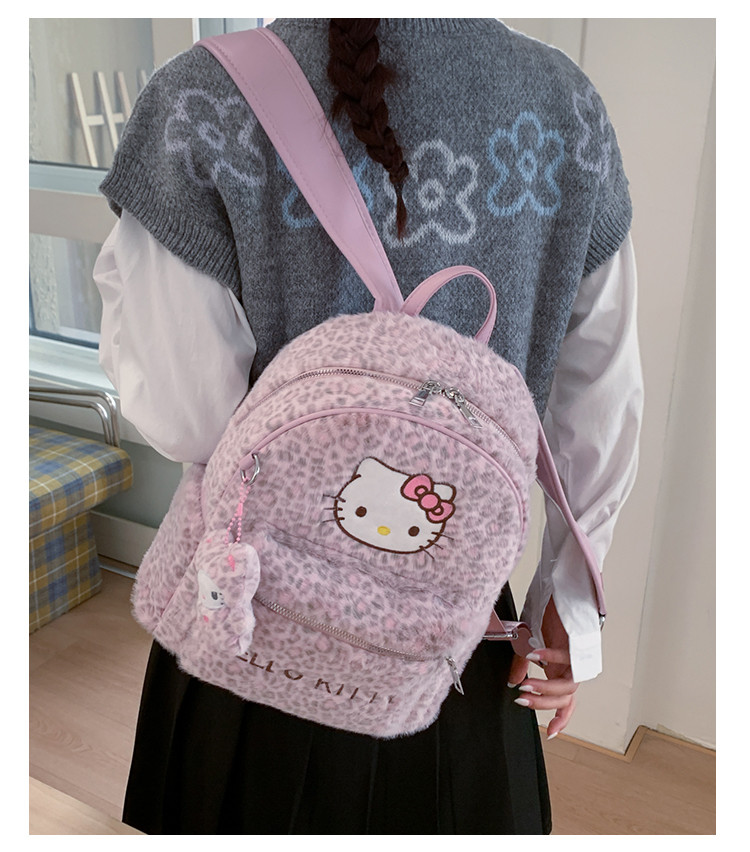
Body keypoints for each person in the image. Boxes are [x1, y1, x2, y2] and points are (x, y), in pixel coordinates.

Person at [93, 18, 642, 834]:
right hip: (447, 633)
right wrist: (567, 601)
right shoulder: (567, 107)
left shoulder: (197, 101)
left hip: (246, 610)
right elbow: (599, 394)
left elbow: (187, 411)